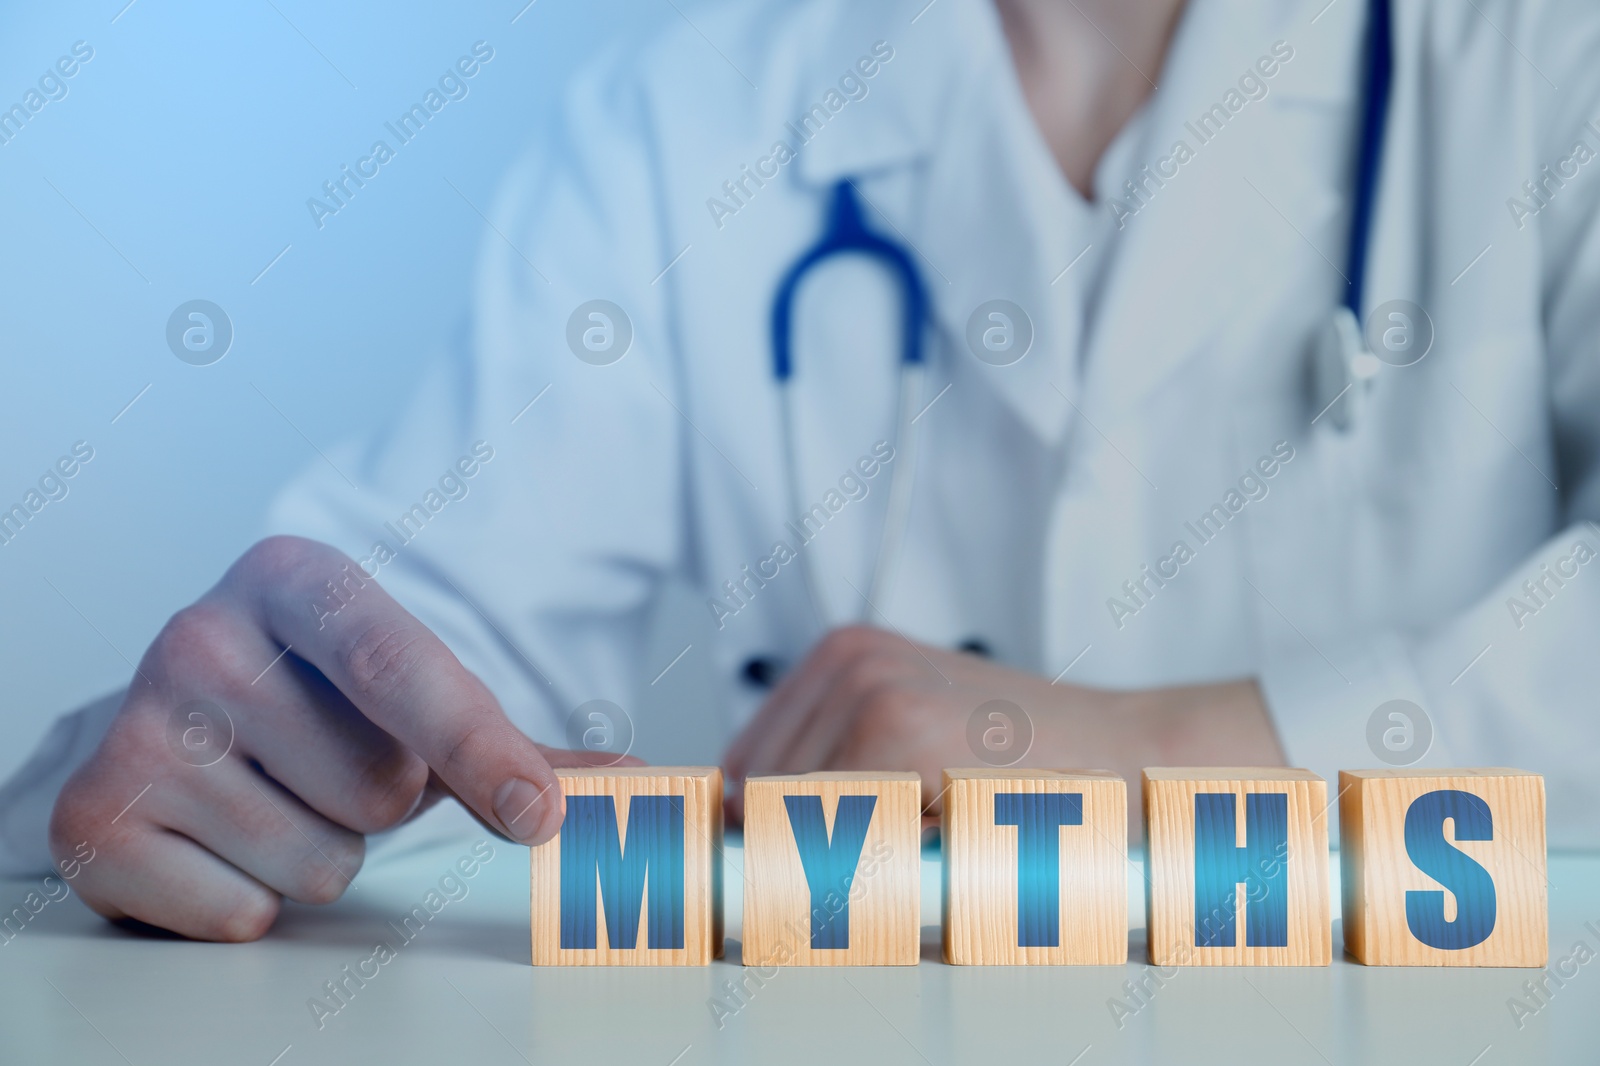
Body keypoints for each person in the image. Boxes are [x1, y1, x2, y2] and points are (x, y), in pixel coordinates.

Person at [2, 0, 1597, 941]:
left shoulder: (1541, 56)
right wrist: (225, 753)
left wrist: (1173, 753)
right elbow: (417, 647)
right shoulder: (688, 113)